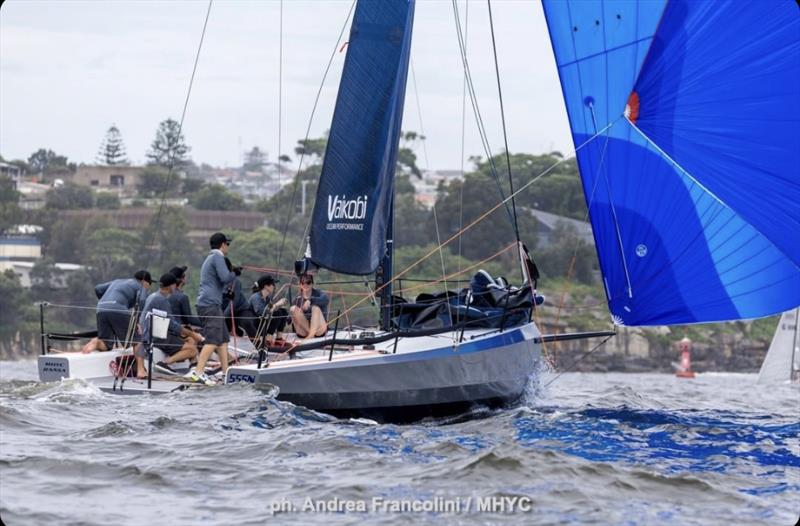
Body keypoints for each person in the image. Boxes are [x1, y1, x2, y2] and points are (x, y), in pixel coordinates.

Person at [190, 232, 241, 385]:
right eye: (228, 244)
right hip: (209, 304)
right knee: (213, 340)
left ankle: (226, 374)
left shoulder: (211, 258)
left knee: (223, 339)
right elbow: (226, 278)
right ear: (222, 244)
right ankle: (198, 372)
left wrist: (227, 294)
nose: (228, 247)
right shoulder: (217, 256)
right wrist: (234, 273)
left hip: (212, 303)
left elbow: (218, 282)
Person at [138, 273, 204, 378]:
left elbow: (168, 322)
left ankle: (194, 366)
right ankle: (164, 363)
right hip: (154, 336)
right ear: (171, 286)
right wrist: (193, 334)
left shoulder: (153, 296)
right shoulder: (162, 300)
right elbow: (172, 325)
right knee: (193, 349)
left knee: (189, 340)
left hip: (151, 332)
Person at [81, 270, 151, 354]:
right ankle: (140, 367)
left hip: (101, 308)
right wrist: (138, 321)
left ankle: (96, 342)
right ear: (144, 281)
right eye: (149, 283)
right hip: (117, 308)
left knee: (106, 344)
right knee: (137, 339)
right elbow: (142, 300)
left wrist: (106, 302)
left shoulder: (117, 281)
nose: (149, 287)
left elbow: (98, 288)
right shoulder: (140, 286)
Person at [250, 274, 289, 346]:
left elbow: (270, 310)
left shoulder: (267, 298)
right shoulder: (256, 297)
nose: (274, 286)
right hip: (256, 326)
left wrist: (280, 305)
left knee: (283, 311)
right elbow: (262, 313)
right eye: (272, 284)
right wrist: (277, 304)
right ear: (266, 286)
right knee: (277, 313)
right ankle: (267, 340)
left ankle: (279, 339)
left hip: (263, 323)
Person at [289, 273, 329, 339]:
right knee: (293, 308)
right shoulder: (297, 299)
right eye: (302, 283)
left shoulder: (319, 293)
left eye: (308, 282)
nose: (305, 285)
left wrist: (311, 300)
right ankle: (310, 333)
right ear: (300, 285)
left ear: (312, 284)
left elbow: (326, 300)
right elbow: (290, 319)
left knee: (315, 308)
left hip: (319, 330)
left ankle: (311, 334)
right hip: (304, 331)